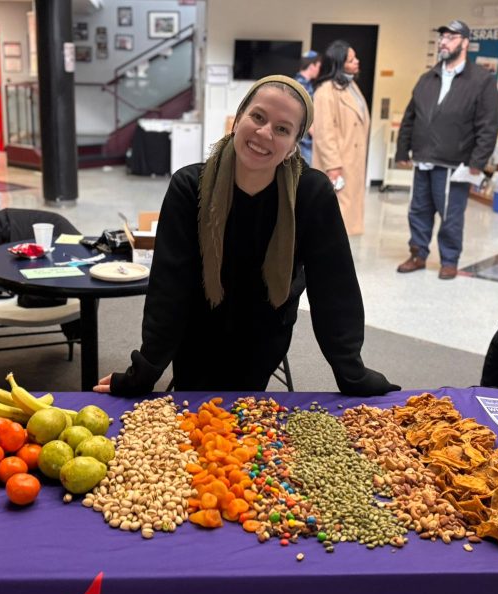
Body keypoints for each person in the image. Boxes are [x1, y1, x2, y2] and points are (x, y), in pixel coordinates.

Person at [94, 75, 399, 397]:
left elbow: (335, 290)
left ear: (295, 143)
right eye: (258, 117)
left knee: (242, 419)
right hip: (197, 331)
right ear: (238, 118)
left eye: (282, 129)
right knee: (196, 417)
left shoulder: (311, 193)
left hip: (266, 333)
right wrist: (143, 373)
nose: (265, 133)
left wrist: (352, 373)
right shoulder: (189, 187)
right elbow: (169, 290)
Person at [395, 20, 498, 279]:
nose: (443, 41)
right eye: (442, 37)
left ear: (465, 42)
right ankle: (418, 253)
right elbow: (411, 116)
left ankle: (449, 260)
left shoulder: (481, 80)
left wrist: (478, 160)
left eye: (450, 37)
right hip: (423, 159)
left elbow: (488, 125)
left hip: (456, 164)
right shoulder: (427, 78)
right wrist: (402, 151)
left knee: (450, 216)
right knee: (418, 210)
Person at [311, 40, 370, 236]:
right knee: (334, 217)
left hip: (352, 162)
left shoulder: (351, 86)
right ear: (338, 63)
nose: (357, 62)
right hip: (337, 165)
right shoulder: (325, 92)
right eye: (351, 59)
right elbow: (324, 132)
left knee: (345, 218)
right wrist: (333, 167)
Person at [294, 50, 321, 166]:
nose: (319, 70)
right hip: (303, 141)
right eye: (318, 66)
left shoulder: (302, 82)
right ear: (312, 66)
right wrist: (316, 134)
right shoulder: (302, 85)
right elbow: (302, 113)